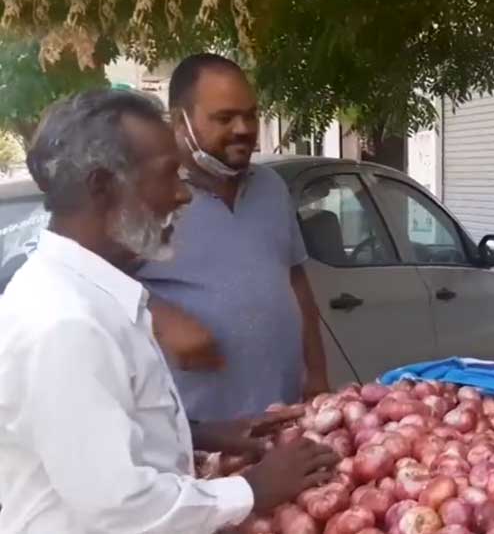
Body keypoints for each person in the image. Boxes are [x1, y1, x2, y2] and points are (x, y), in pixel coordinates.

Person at [0, 89, 336, 532]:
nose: (182, 195)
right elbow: (119, 505)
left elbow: (97, 431)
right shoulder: (65, 323)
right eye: (167, 176)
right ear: (102, 186)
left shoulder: (93, 296)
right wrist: (254, 489)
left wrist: (202, 432)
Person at [138, 54, 329, 421]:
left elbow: (296, 284)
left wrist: (317, 376)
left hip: (280, 420)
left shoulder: (271, 188)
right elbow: (93, 283)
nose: (244, 128)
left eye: (251, 115)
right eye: (224, 118)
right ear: (181, 121)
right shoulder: (149, 196)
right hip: (196, 437)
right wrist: (159, 316)